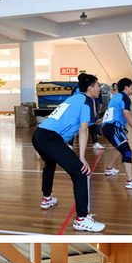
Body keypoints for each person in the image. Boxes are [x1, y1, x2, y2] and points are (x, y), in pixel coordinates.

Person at [31, 73, 106, 232]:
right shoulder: (87, 101)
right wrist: (82, 157)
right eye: (98, 86)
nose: (99, 89)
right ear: (90, 88)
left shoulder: (75, 98)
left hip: (38, 135)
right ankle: (81, 219)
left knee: (50, 164)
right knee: (81, 173)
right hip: (50, 138)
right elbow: (83, 130)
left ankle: (47, 198)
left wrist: (96, 121)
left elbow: (74, 120)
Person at [102, 77, 132, 189]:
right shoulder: (124, 97)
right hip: (113, 127)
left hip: (109, 127)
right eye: (131, 87)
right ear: (126, 87)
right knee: (127, 152)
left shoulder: (116, 96)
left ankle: (109, 168)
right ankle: (130, 181)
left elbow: (111, 111)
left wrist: (102, 120)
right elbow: (127, 115)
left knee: (118, 148)